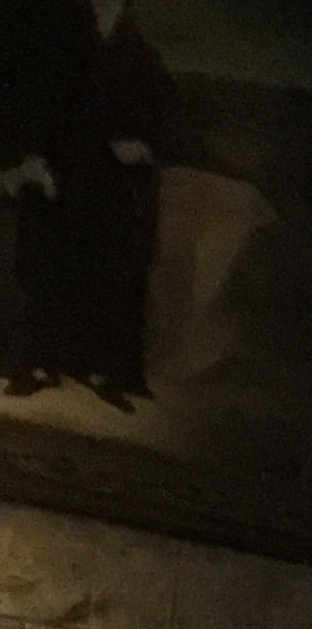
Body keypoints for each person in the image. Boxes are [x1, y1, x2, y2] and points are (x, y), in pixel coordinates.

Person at [0, 0, 168, 412]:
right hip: (56, 161)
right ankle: (38, 363)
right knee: (41, 258)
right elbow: (35, 98)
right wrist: (29, 157)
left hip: (107, 172)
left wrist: (138, 142)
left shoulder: (136, 47)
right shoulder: (55, 31)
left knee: (107, 257)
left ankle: (101, 369)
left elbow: (156, 108)